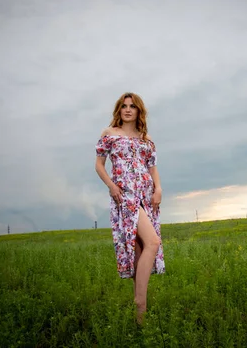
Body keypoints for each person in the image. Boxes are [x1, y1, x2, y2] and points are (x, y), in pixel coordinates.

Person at [94, 92, 165, 325]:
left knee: (143, 248)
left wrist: (158, 189)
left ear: (138, 111)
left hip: (146, 195)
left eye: (132, 106)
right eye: (124, 106)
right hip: (125, 196)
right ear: (119, 110)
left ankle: (140, 321)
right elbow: (99, 165)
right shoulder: (110, 134)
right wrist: (112, 186)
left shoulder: (146, 138)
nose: (127, 110)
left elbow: (152, 167)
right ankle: (140, 302)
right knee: (152, 243)